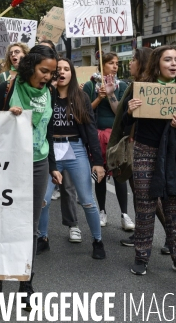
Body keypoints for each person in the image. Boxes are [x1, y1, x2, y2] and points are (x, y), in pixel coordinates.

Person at [0, 45, 61, 308]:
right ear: (30, 67)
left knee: (30, 227)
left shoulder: (49, 92)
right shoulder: (7, 88)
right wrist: (7, 117)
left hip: (38, 163)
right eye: (43, 71)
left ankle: (25, 282)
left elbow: (48, 130)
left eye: (51, 73)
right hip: (6, 164)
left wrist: (52, 165)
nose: (47, 77)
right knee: (3, 223)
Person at [123, 46, 176, 277]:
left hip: (174, 156)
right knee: (145, 206)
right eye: (168, 59)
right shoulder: (141, 90)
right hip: (145, 151)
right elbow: (126, 126)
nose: (174, 63)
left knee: (175, 209)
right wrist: (129, 112)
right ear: (157, 64)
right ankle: (141, 257)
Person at [36, 59, 106, 259]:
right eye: (58, 70)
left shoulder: (81, 97)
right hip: (50, 150)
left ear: (72, 74)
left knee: (86, 200)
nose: (62, 72)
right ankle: (43, 238)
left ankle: (97, 241)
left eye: (67, 69)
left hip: (75, 148)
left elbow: (91, 129)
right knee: (43, 200)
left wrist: (98, 162)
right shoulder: (45, 96)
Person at [108, 48, 171, 250]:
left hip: (141, 147)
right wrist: (110, 95)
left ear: (143, 63)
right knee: (139, 193)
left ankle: (171, 235)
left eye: (134, 60)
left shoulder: (146, 87)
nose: (130, 64)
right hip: (134, 144)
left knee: (148, 195)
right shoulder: (134, 86)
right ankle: (143, 234)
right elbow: (122, 113)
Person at [82, 52, 134, 231]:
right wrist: (99, 97)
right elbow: (85, 110)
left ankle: (124, 214)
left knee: (120, 174)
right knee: (100, 175)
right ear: (101, 64)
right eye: (111, 63)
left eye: (117, 63)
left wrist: (111, 95)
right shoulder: (90, 85)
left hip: (116, 136)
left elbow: (119, 111)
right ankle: (102, 210)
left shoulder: (123, 86)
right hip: (96, 135)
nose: (115, 66)